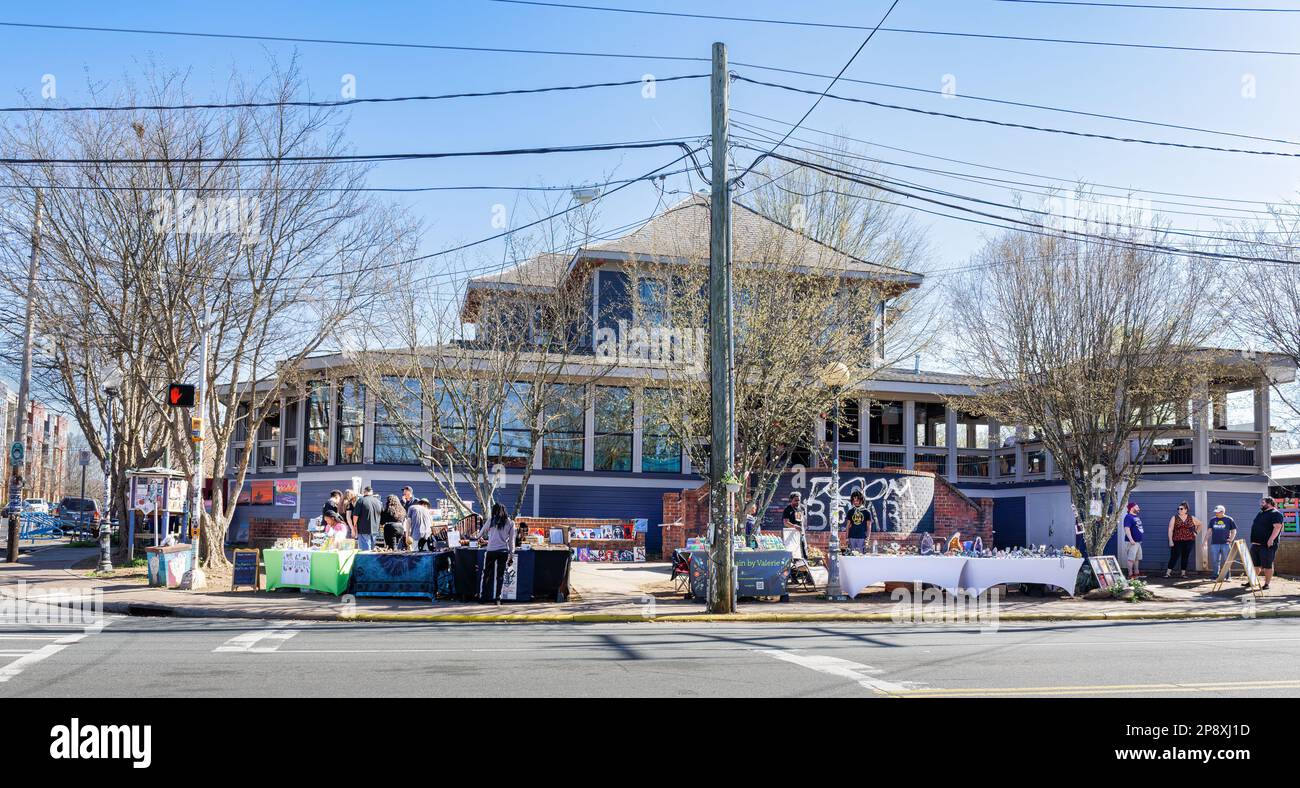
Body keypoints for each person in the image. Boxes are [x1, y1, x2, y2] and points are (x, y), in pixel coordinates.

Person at [479, 502, 516, 605]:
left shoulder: (491, 521)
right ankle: (498, 598)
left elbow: (480, 533)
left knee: (486, 574)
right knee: (500, 576)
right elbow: (511, 541)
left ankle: (483, 597)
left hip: (491, 551)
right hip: (503, 551)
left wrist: (480, 538)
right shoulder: (510, 523)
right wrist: (511, 555)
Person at [1249, 497, 1284, 590]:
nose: (1261, 504)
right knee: (1255, 564)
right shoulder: (1261, 513)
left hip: (1267, 545)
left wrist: (1271, 539)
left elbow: (1277, 527)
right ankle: (1252, 581)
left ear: (1269, 503)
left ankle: (1266, 584)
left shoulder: (1276, 514)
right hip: (1256, 544)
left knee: (1267, 565)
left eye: (1263, 503)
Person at [1165, 501, 1201, 578]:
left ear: (1186, 510)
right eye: (1178, 509)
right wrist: (1170, 540)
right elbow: (1170, 529)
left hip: (1189, 540)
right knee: (1174, 556)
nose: (1179, 510)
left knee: (1185, 556)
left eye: (1181, 509)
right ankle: (1168, 573)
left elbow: (1200, 524)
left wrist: (1196, 533)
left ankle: (1183, 573)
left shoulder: (1191, 518)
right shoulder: (1174, 518)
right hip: (1177, 540)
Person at [1207, 504, 1237, 579]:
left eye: (1217, 512)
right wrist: (1205, 541)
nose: (1216, 513)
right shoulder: (1212, 520)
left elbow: (1234, 531)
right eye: (1216, 512)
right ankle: (1215, 576)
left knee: (1227, 561)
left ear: (1222, 512)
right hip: (1215, 544)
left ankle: (1227, 576)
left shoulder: (1229, 519)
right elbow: (1209, 531)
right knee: (1215, 561)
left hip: (1225, 544)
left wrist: (1231, 540)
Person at [351, 487, 381, 551]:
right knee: (372, 550)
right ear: (372, 492)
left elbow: (355, 516)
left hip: (363, 529)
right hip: (375, 529)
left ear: (364, 492)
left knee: (365, 551)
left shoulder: (361, 500)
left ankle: (366, 561)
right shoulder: (378, 501)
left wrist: (354, 525)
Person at [781, 492, 807, 559]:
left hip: (801, 533)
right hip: (791, 534)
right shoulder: (787, 509)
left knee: (803, 550)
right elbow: (786, 522)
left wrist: (803, 528)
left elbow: (804, 520)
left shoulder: (802, 508)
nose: (797, 502)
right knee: (792, 551)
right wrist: (795, 526)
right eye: (795, 500)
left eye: (799, 500)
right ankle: (791, 566)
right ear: (791, 500)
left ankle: (804, 565)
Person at [1123, 502, 1144, 578]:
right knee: (1131, 559)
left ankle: (1136, 573)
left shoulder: (1136, 517)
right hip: (1132, 542)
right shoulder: (1128, 517)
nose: (1139, 508)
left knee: (1136, 558)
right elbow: (1127, 529)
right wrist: (1131, 539)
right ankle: (1130, 574)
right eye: (1137, 507)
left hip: (1138, 542)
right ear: (1132, 508)